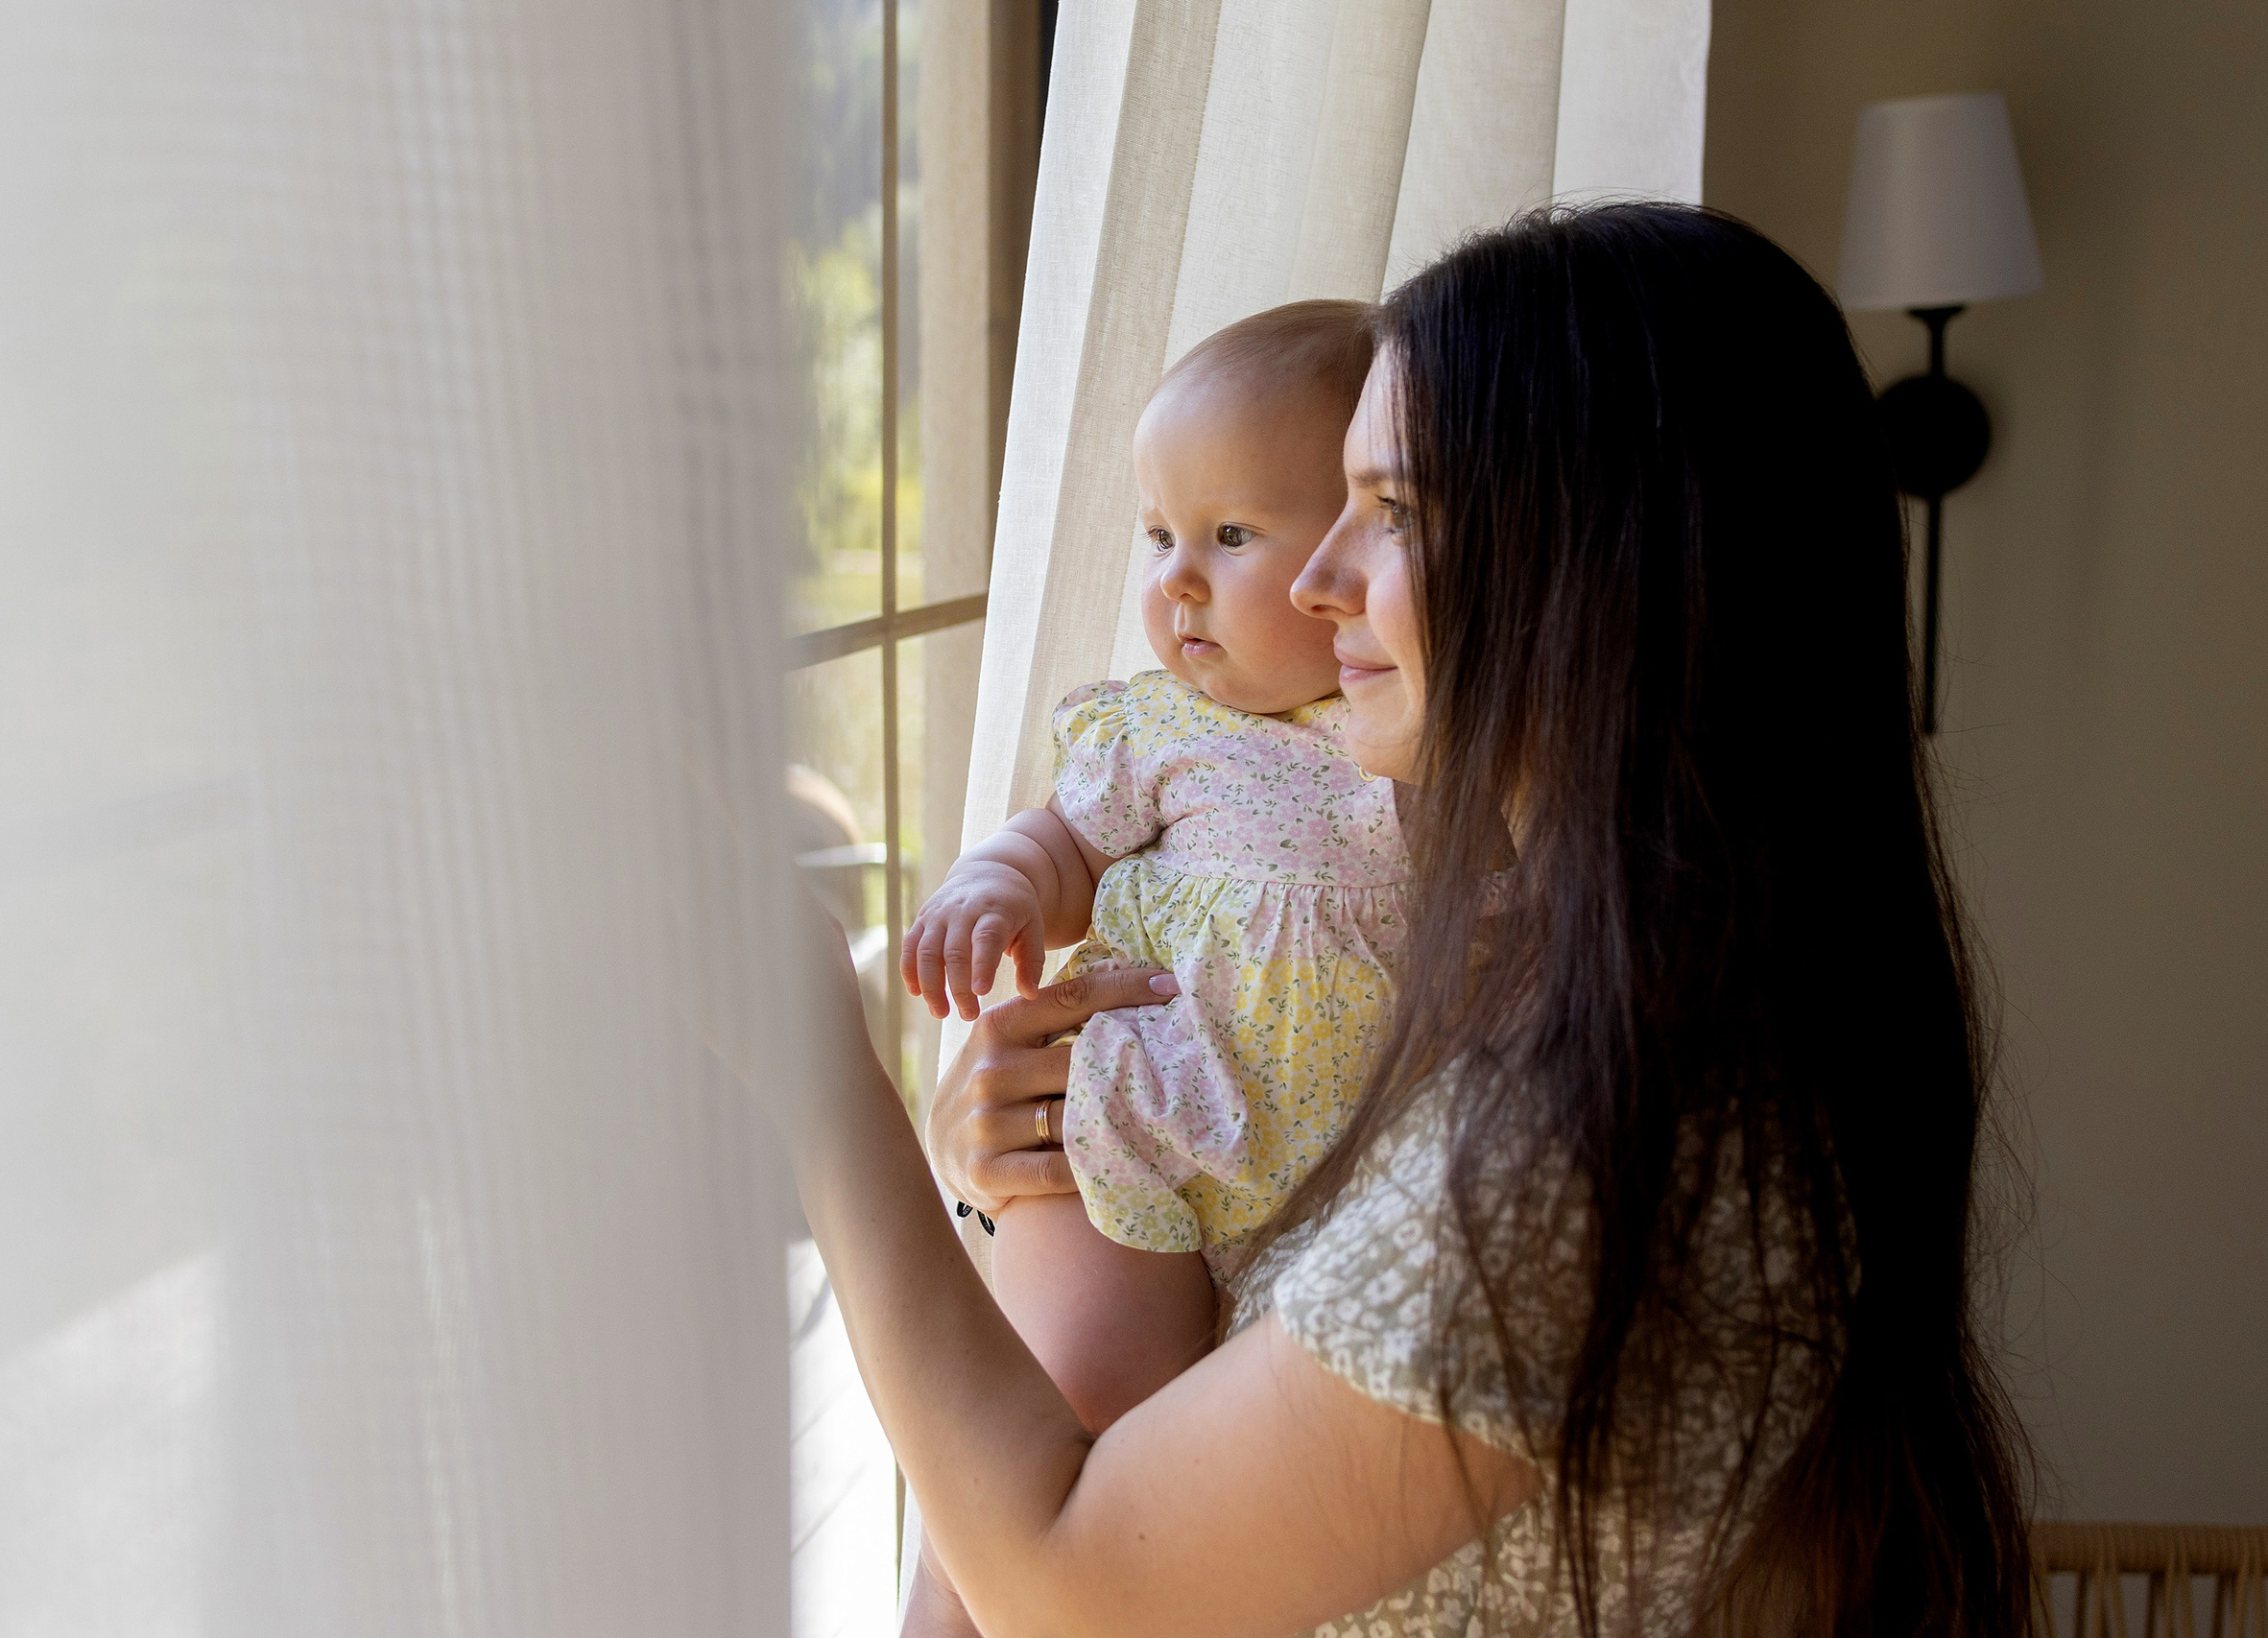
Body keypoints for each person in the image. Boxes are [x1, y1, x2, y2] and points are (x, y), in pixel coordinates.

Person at [771, 202, 2031, 1638]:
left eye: (1395, 512)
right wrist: (1023, 1172)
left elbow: (1068, 1597)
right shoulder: (1601, 984)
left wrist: (818, 1080)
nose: (1319, 583)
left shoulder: (1603, 1144)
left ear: (1599, 565)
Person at [896, 299, 1408, 1636]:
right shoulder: (1166, 730)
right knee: (1059, 1440)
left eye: (1232, 536)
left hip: (1322, 1177)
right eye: (1159, 536)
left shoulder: (1421, 745)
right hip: (1130, 1129)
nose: (1179, 579)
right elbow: (1063, 843)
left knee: (1164, 1514)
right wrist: (1000, 884)